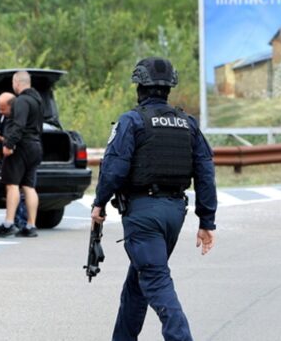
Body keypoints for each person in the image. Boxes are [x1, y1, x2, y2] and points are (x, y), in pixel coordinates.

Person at [91, 57, 217, 341]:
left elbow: (114, 167)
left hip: (143, 213)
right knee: (139, 280)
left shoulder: (132, 121)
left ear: (140, 87)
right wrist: (206, 220)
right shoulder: (188, 124)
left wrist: (99, 203)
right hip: (174, 212)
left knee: (156, 281)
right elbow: (205, 172)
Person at [0, 71, 44, 238]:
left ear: (16, 82)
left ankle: (8, 223)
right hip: (36, 145)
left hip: (21, 147)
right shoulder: (38, 100)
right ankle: (31, 225)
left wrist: (9, 144)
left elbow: (19, 125)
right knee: (29, 186)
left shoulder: (21, 101)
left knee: (12, 184)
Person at [0, 92, 28, 230]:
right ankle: (15, 219)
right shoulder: (1, 114)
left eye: (2, 108)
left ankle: (20, 220)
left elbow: (10, 140)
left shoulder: (16, 118)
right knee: (10, 188)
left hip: (15, 154)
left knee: (17, 188)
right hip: (5, 156)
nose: (0, 111)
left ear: (11, 106)